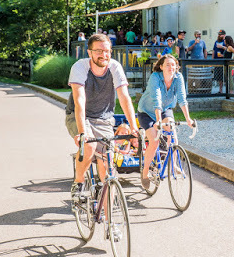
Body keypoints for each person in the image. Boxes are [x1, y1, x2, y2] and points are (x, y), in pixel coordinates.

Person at [66, 34, 138, 202]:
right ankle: (79, 182)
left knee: (108, 165)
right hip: (79, 115)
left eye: (106, 51)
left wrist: (134, 129)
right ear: (89, 52)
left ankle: (110, 223)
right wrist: (83, 132)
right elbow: (79, 100)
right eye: (98, 51)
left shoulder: (115, 67)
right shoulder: (80, 67)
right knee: (89, 146)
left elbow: (125, 97)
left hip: (104, 118)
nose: (103, 55)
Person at [137, 54, 194, 189]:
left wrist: (188, 119)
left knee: (172, 134)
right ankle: (145, 173)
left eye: (173, 64)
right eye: (167, 65)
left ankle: (173, 166)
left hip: (165, 109)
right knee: (155, 141)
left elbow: (182, 98)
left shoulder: (178, 78)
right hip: (147, 111)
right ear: (161, 66)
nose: (171, 67)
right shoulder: (155, 77)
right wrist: (158, 121)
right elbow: (157, 99)